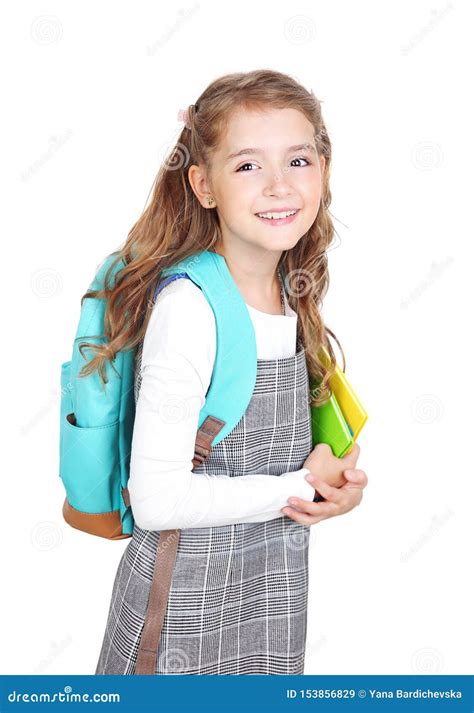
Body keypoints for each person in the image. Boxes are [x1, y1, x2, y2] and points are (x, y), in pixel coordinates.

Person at [93, 68, 368, 675]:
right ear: (204, 185)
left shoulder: (291, 294)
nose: (278, 186)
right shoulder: (191, 309)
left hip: (270, 590)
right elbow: (158, 500)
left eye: (298, 161)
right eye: (248, 166)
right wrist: (301, 487)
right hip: (186, 601)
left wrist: (328, 493)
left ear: (324, 169)